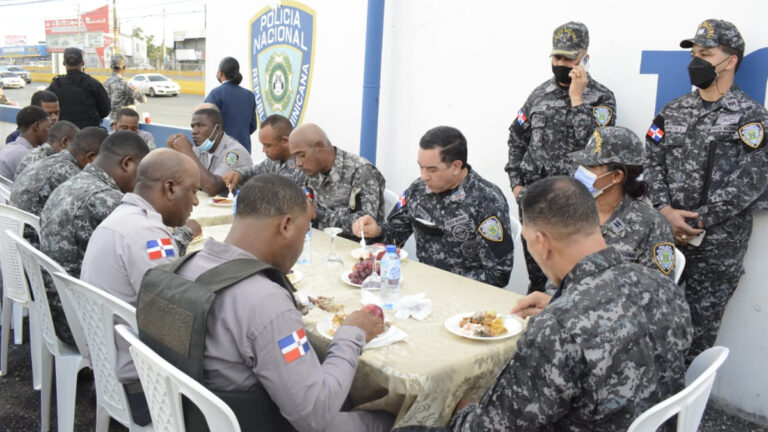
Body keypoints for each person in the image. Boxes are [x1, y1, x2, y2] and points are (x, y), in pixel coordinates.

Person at [397, 177, 691, 432]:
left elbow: (488, 428)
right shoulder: (664, 286)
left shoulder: (557, 328)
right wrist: (559, 303)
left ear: (542, 242)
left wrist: (462, 408)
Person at [137, 174, 394, 431]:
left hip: (185, 418)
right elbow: (315, 416)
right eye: (304, 233)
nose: (301, 245)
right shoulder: (266, 302)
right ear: (286, 226)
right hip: (261, 423)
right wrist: (352, 334)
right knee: (393, 418)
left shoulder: (177, 269)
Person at [644, 19, 768, 362]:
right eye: (694, 54)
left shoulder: (751, 118)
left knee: (697, 338)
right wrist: (665, 210)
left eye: (706, 54)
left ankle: (685, 397)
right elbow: (651, 160)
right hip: (666, 236)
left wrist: (699, 220)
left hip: (718, 247)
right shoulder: (672, 111)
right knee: (649, 323)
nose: (696, 61)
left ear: (730, 61)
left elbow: (752, 180)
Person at [80, 149, 201, 426]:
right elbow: (175, 317)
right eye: (193, 191)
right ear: (170, 188)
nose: (195, 201)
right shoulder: (146, 234)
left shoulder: (123, 218)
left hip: (109, 368)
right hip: (142, 387)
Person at [505, 21, 616, 293]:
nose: (561, 63)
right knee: (537, 281)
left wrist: (577, 99)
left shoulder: (601, 98)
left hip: (573, 208)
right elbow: (516, 137)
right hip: (534, 201)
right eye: (556, 57)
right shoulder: (539, 94)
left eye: (568, 58)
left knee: (571, 283)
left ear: (584, 57)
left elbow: (595, 151)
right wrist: (516, 185)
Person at [352, 126, 514, 287]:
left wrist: (440, 282)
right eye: (420, 167)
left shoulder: (487, 200)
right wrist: (377, 231)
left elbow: (498, 274)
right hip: (423, 286)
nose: (424, 176)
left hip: (465, 292)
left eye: (432, 170)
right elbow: (395, 237)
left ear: (456, 166)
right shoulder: (417, 190)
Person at [38, 132, 159, 346]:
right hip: (83, 323)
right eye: (141, 176)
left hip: (54, 311)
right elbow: (150, 254)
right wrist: (184, 233)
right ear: (127, 164)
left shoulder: (73, 182)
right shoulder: (105, 198)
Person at [569, 126, 676, 278]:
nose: (580, 171)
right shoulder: (572, 211)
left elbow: (660, 288)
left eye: (590, 166)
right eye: (582, 165)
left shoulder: (651, 225)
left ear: (616, 176)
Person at [10, 126, 105, 246]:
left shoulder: (49, 160)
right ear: (91, 157)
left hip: (15, 236)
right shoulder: (69, 172)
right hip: (33, 242)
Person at [289, 123, 386, 238]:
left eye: (302, 155)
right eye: (294, 157)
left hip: (355, 245)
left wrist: (317, 213)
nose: (298, 163)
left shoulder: (361, 171)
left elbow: (364, 224)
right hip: (320, 240)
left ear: (319, 146)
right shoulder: (307, 171)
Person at [166, 107, 250, 195]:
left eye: (200, 125)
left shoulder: (234, 152)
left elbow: (212, 188)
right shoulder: (199, 149)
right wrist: (176, 154)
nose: (194, 131)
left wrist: (187, 151)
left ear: (217, 128)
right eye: (193, 126)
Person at [221, 114, 306, 191]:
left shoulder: (303, 166)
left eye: (268, 145)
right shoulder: (273, 160)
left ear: (284, 141)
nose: (263, 150)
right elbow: (253, 172)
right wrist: (238, 174)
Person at [46, 47, 110, 128]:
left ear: (64, 63)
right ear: (82, 62)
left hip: (64, 131)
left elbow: (44, 107)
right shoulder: (93, 84)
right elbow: (105, 110)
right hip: (88, 131)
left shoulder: (56, 84)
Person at [204, 56, 257, 153]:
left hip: (222, 152)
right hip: (244, 151)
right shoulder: (249, 95)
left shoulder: (216, 94)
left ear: (220, 73)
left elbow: (206, 124)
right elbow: (253, 126)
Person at [0, 105, 50, 180]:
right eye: (48, 127)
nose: (50, 132)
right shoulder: (29, 156)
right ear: (36, 126)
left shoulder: (8, 147)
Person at [103, 54, 147, 121]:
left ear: (111, 67)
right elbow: (143, 99)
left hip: (112, 120)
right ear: (124, 67)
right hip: (126, 121)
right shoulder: (126, 83)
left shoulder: (105, 83)